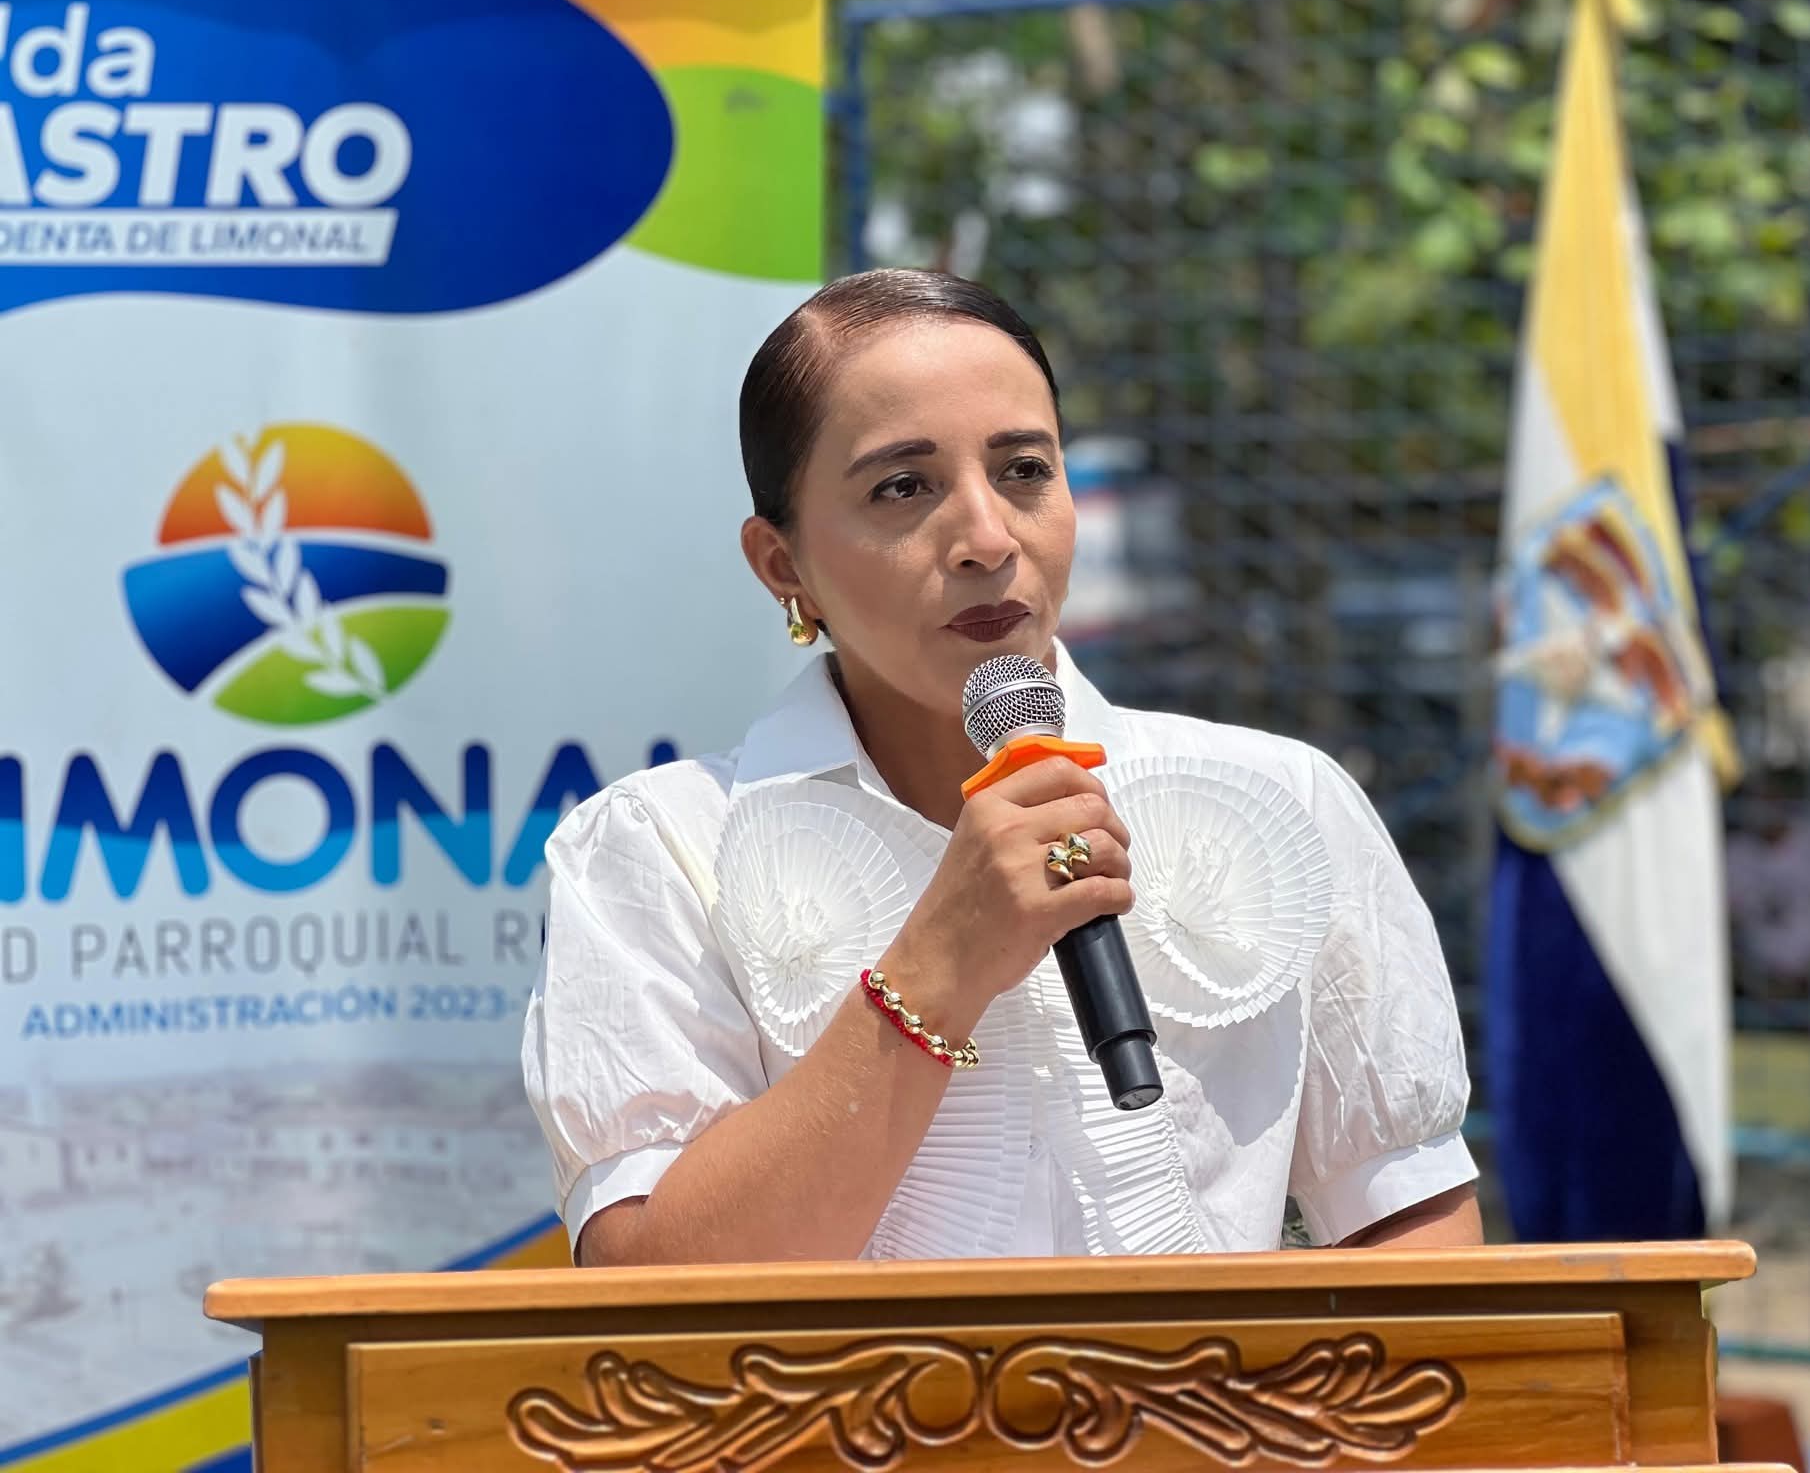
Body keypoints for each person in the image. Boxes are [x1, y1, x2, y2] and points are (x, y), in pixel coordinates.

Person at [521, 269, 1480, 1265]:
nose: (986, 540)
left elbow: (1410, 1229)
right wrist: (939, 964)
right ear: (783, 565)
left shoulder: (1283, 804)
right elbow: (647, 1288)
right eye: (902, 487)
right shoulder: (659, 851)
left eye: (1024, 471)